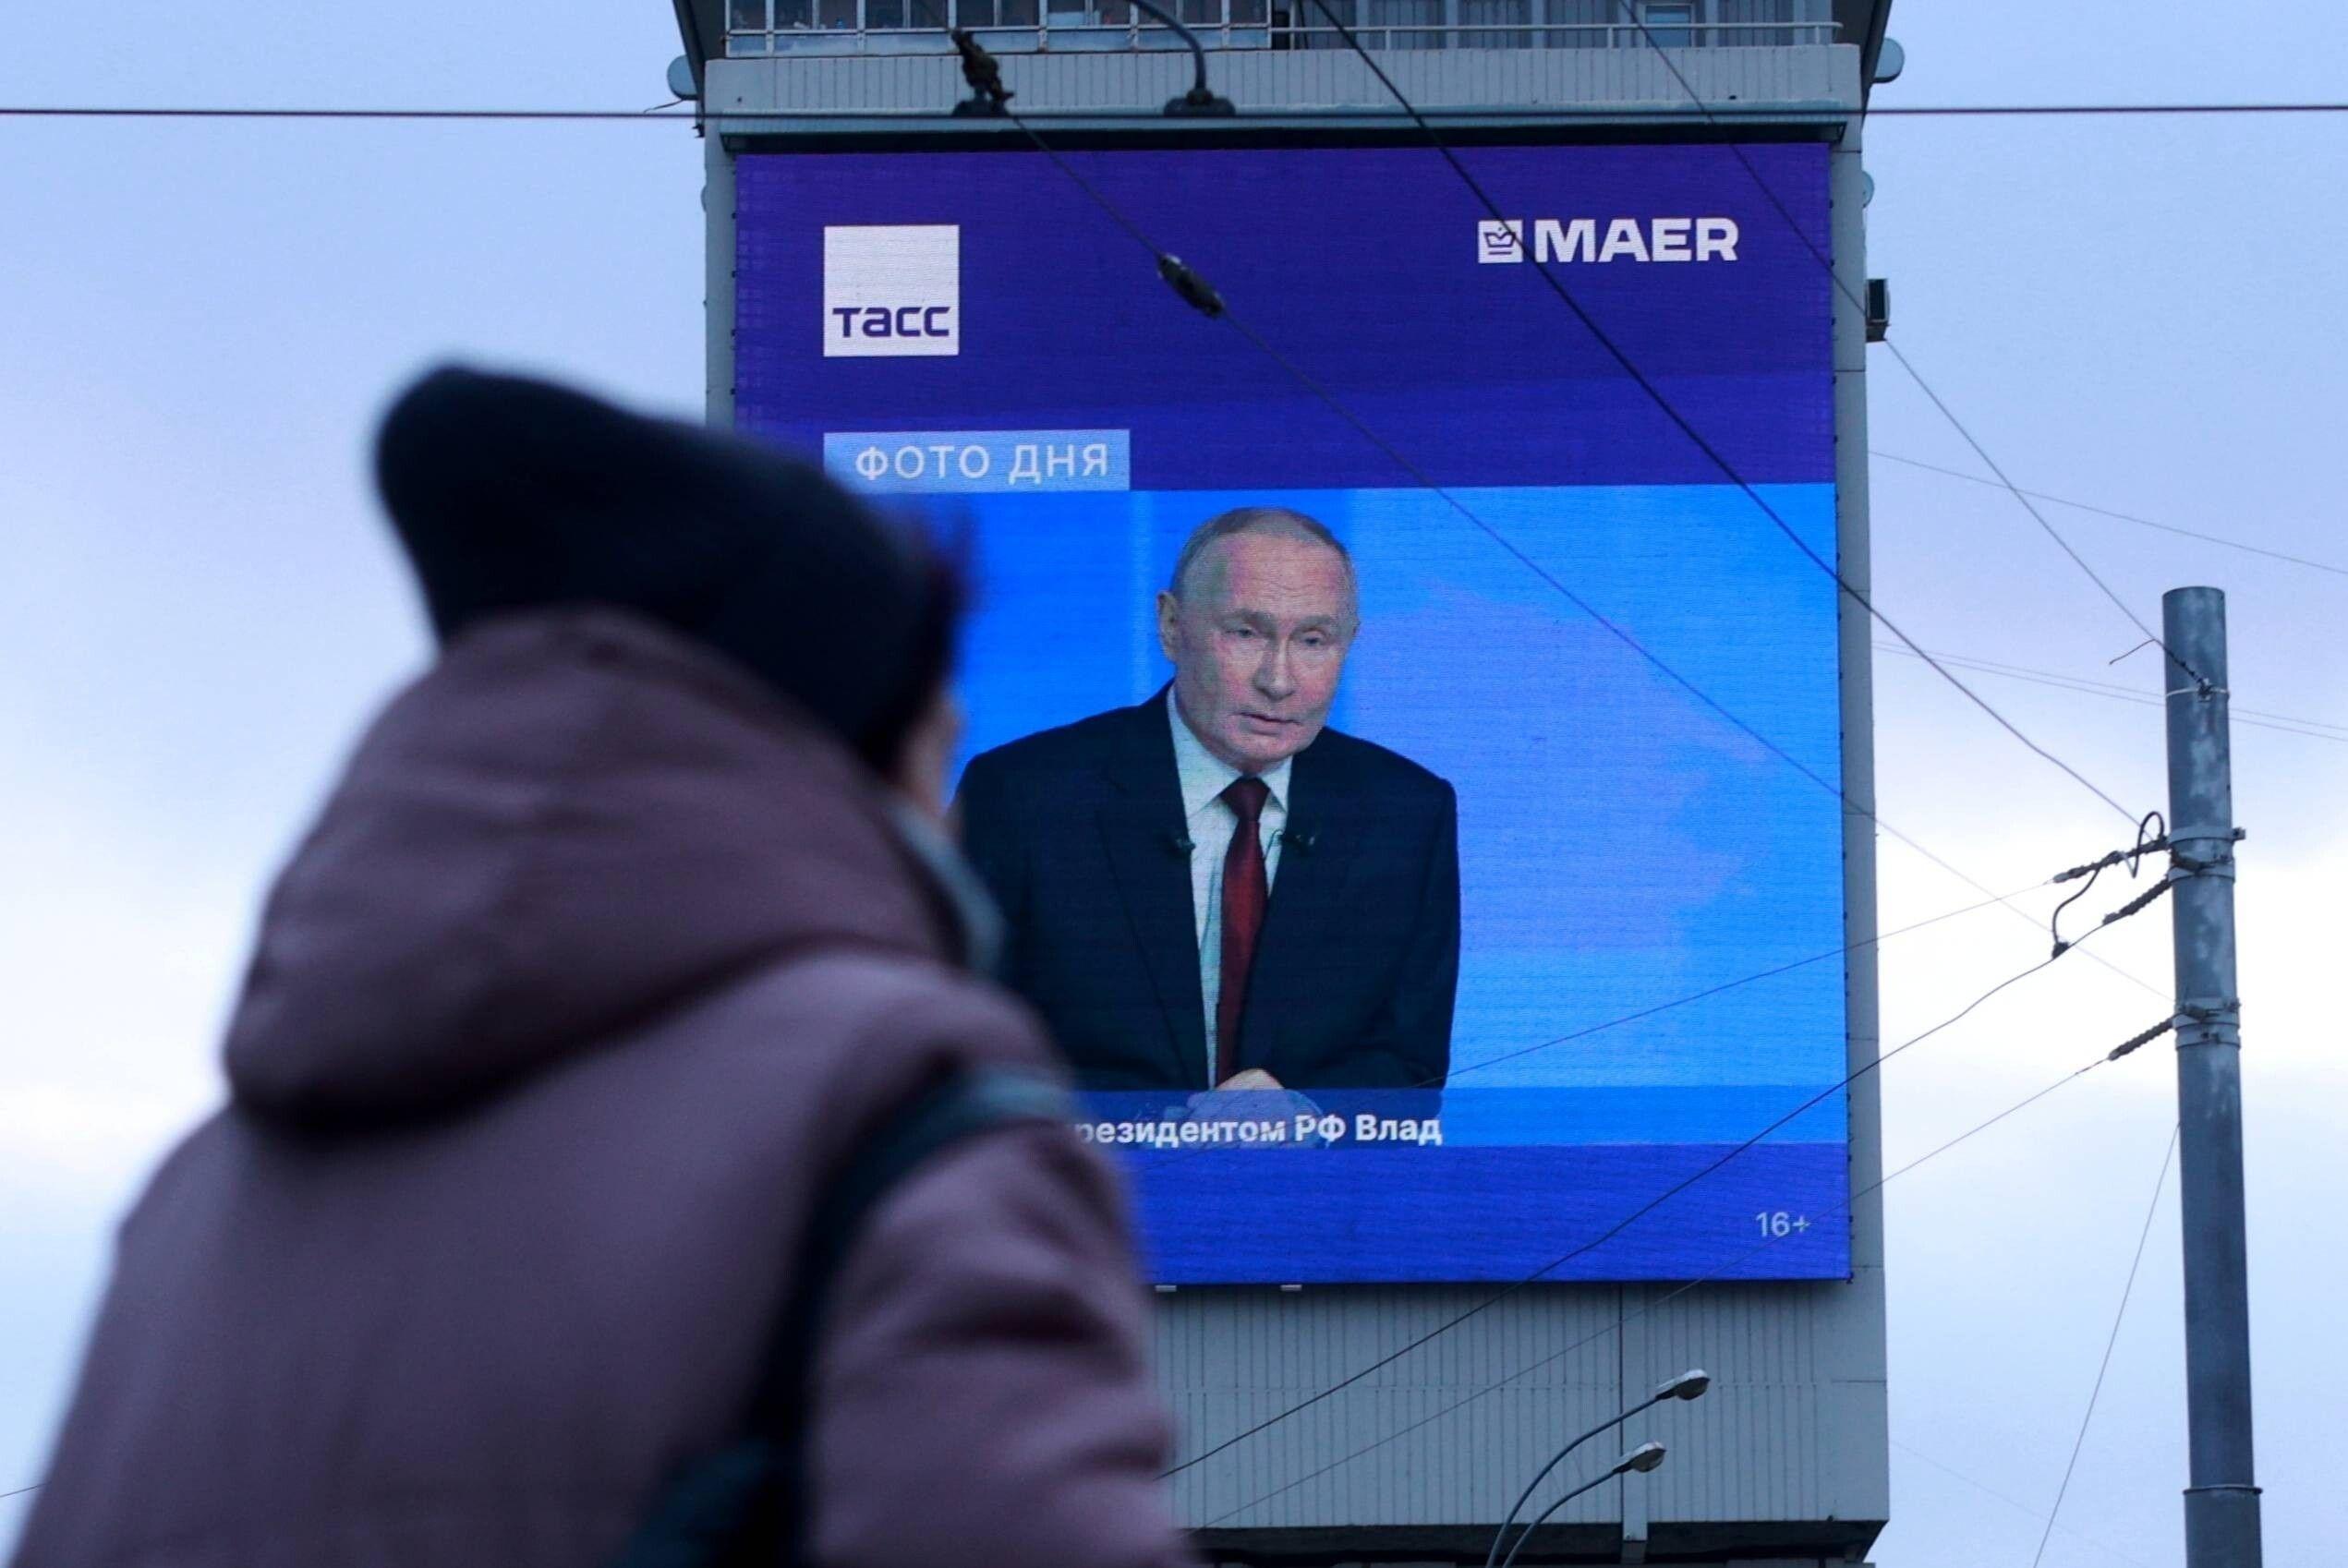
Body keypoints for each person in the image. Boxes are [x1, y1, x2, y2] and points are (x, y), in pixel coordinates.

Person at [9, 368, 1195, 1568]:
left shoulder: (187, 1213)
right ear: (852, 759)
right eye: (940, 752)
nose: (955, 823)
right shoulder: (892, 1090)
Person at [957, 507, 1459, 1096]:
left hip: (1311, 1182)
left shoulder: (1406, 812)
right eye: (1246, 633)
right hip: (1085, 1178)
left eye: (1314, 641)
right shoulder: (1023, 798)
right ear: (1171, 626)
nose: (1279, 679)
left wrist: (1307, 1113)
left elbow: (1411, 1062)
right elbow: (959, 1053)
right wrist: (1163, 1129)